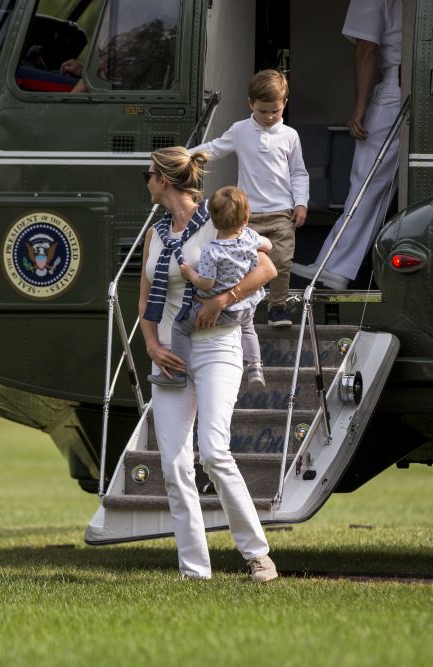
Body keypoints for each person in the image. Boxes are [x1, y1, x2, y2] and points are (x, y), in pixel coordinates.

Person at [141, 146, 279, 582]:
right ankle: (194, 569)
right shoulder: (157, 233)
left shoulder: (217, 220)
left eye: (148, 175)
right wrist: (150, 344)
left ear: (163, 181)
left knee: (214, 452)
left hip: (218, 345)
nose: (145, 182)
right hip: (170, 350)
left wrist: (222, 299)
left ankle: (258, 555)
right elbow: (145, 294)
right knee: (174, 463)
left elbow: (266, 268)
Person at [292, 0, 402, 290]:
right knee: (379, 185)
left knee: (367, 179)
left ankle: (336, 266)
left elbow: (366, 48)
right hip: (415, 85)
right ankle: (340, 264)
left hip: (395, 88)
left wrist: (359, 106)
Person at [191, 69, 309, 327]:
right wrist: (186, 155)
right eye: (262, 110)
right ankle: (244, 309)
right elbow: (215, 148)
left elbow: (299, 172)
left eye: (275, 111)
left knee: (281, 261)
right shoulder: (240, 130)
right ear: (250, 104)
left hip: (282, 212)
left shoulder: (290, 136)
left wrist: (301, 202)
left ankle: (278, 307)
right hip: (248, 215)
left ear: (284, 105)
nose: (269, 117)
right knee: (243, 263)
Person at [147, 185, 271, 390]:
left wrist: (190, 274)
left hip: (213, 310)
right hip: (245, 306)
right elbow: (268, 246)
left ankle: (178, 372)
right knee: (248, 328)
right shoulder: (249, 238)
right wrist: (256, 243)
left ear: (213, 221)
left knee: (179, 328)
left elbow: (207, 282)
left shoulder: (212, 250)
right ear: (246, 220)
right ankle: (255, 365)